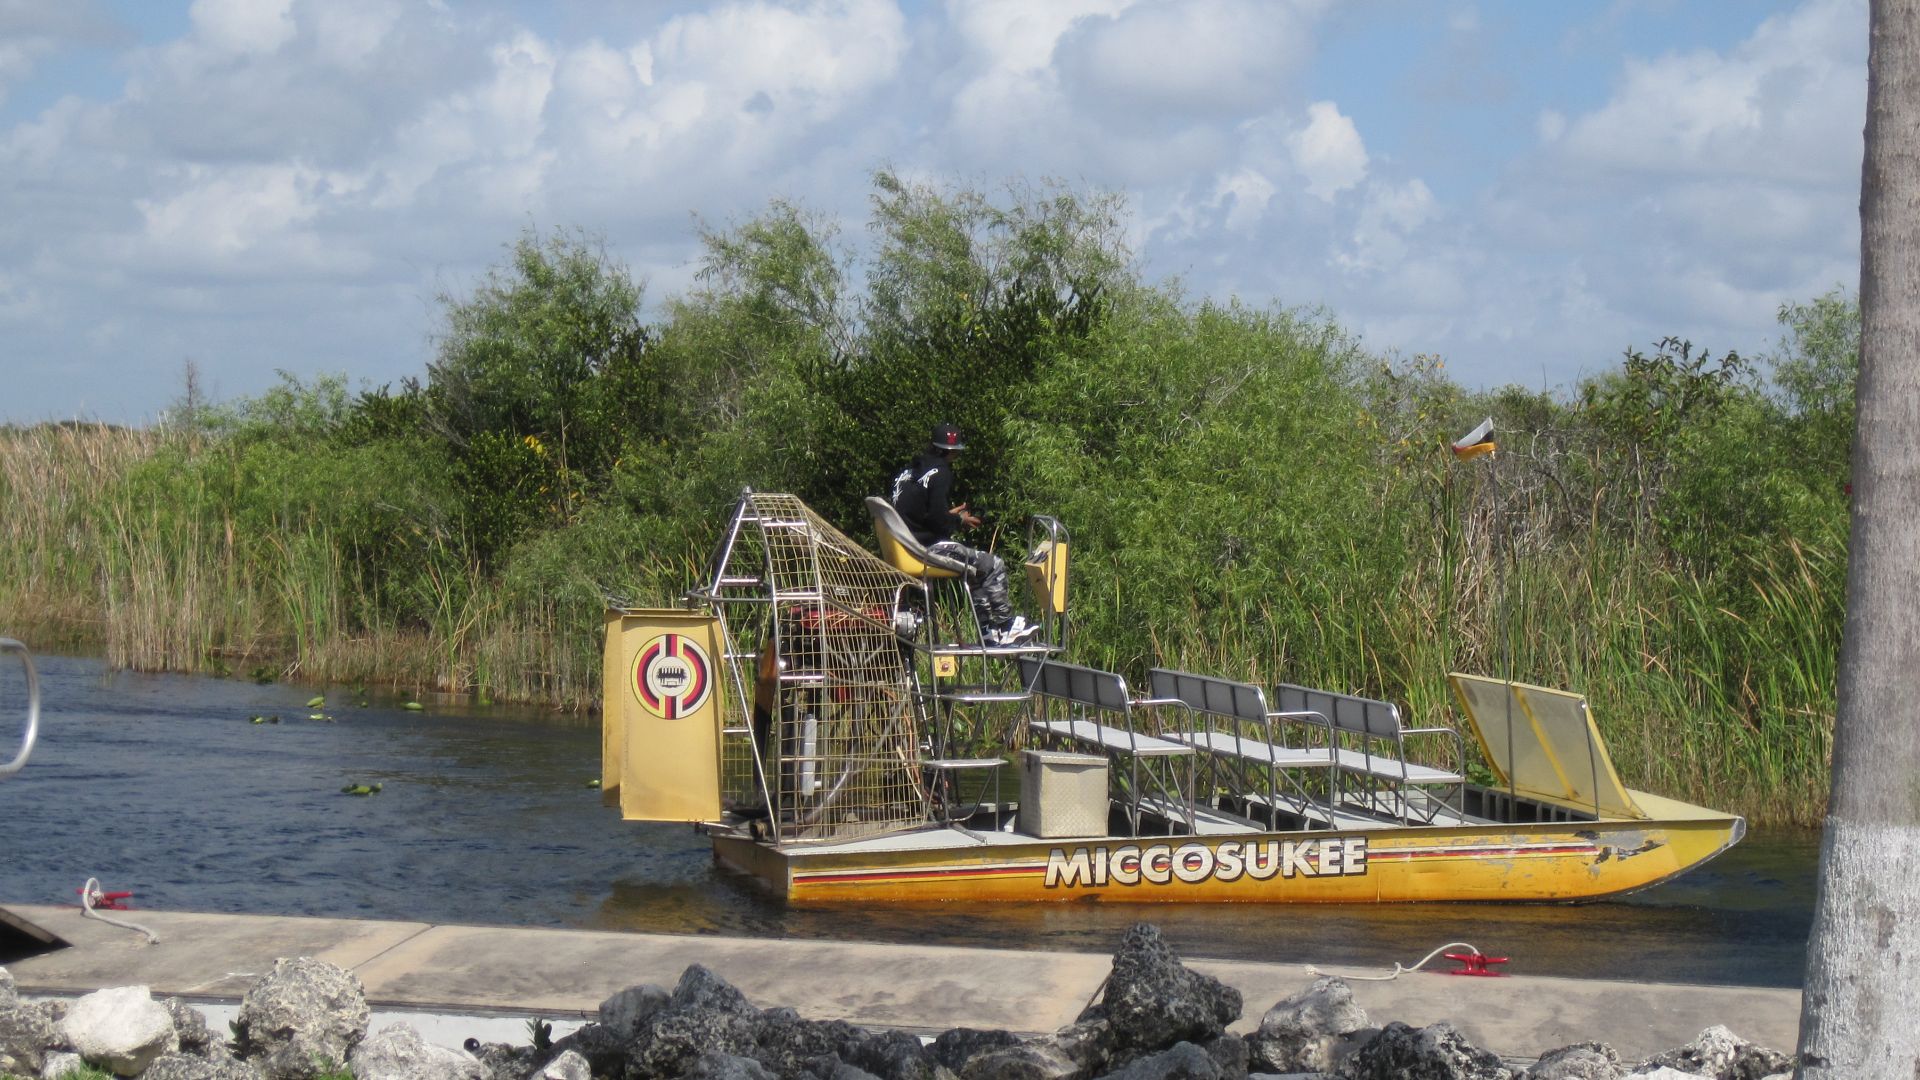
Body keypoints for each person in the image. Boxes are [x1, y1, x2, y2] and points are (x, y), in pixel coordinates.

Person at [889, 424, 1040, 646]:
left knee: (975, 570)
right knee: (992, 564)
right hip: (927, 548)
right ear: (952, 451)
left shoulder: (907, 472)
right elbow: (939, 523)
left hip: (905, 544)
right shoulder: (940, 472)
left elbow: (917, 512)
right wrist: (959, 521)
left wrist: (946, 515)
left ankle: (988, 632)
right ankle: (1007, 627)